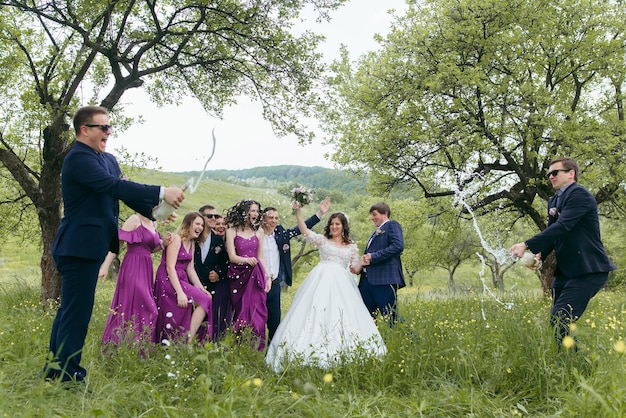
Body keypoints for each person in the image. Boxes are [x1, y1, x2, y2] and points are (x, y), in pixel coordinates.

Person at [42, 105, 185, 383]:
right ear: (85, 130)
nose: (109, 132)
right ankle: (67, 376)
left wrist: (158, 209)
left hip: (92, 246)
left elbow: (123, 193)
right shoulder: (78, 159)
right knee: (76, 314)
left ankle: (55, 370)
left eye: (110, 127)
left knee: (70, 310)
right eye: (103, 127)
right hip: (78, 246)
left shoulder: (107, 159)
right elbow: (112, 186)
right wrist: (160, 190)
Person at [509, 157, 615, 348]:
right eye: (549, 173)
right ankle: (567, 361)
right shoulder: (554, 200)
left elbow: (563, 226)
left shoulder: (579, 195)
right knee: (558, 321)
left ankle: (577, 363)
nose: (551, 176)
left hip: (588, 271)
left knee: (560, 318)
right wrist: (540, 254)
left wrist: (526, 244)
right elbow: (553, 233)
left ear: (571, 173)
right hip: (566, 272)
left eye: (555, 172)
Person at [266, 204, 387, 372]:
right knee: (314, 311)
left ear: (343, 226)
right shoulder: (323, 240)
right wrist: (298, 212)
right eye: (332, 224)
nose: (334, 226)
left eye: (338, 224)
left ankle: (344, 355)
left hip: (343, 284)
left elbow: (354, 268)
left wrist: (362, 262)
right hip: (320, 281)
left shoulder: (351, 246)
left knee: (342, 315)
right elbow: (304, 230)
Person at [261, 196, 330, 343]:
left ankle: (271, 351)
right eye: (270, 218)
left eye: (276, 218)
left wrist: (320, 213)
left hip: (274, 283)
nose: (274, 221)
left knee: (274, 321)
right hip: (257, 283)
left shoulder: (281, 235)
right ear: (263, 220)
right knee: (256, 318)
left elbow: (301, 228)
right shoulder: (256, 236)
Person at [100, 214, 168, 346]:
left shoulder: (154, 223)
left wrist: (163, 244)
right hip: (132, 265)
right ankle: (119, 342)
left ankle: (134, 345)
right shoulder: (134, 219)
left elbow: (150, 249)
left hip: (146, 268)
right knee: (147, 307)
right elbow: (117, 244)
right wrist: (105, 266)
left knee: (140, 305)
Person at [154, 212, 213, 344]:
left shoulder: (191, 243)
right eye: (197, 224)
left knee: (206, 299)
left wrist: (201, 288)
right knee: (174, 312)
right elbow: (170, 267)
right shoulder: (176, 239)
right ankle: (180, 342)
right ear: (188, 224)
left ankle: (186, 340)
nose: (200, 228)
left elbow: (191, 270)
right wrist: (180, 292)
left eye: (202, 225)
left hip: (181, 279)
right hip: (168, 279)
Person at [224, 199, 270, 351]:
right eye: (252, 210)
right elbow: (232, 256)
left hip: (256, 276)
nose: (255, 214)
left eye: (257, 211)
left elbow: (260, 256)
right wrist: (246, 260)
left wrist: (267, 276)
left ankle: (256, 348)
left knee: (257, 311)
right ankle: (237, 347)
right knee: (240, 312)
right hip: (238, 276)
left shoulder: (260, 231)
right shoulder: (231, 232)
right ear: (244, 212)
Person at [355, 202, 405, 326]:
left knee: (391, 317)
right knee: (367, 317)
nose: (372, 218)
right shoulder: (375, 232)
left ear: (385, 213)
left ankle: (408, 340)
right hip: (367, 281)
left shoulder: (392, 225)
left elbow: (398, 246)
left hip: (383, 280)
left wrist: (373, 257)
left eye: (374, 214)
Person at [194, 205, 230, 342]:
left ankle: (200, 343)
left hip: (209, 285)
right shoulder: (194, 236)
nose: (214, 218)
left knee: (205, 315)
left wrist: (218, 274)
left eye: (215, 216)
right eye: (210, 216)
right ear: (201, 217)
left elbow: (224, 262)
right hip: (189, 281)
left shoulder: (218, 240)